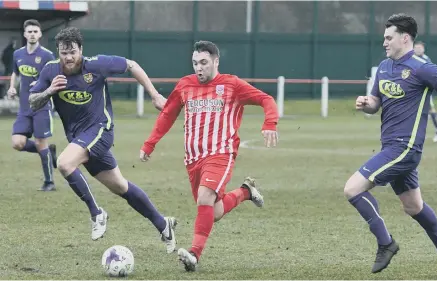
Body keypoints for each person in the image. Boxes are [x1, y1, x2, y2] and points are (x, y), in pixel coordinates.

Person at [28, 26, 177, 254]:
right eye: (63, 52)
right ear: (58, 52)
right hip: (80, 138)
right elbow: (32, 102)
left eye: (73, 52)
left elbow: (131, 65)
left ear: (81, 50)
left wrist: (155, 95)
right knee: (121, 186)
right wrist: (49, 91)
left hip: (101, 130)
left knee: (65, 163)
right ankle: (162, 224)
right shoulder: (50, 71)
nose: (68, 57)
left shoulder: (96, 65)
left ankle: (97, 213)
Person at [140, 40, 279, 271]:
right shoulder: (185, 85)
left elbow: (266, 99)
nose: (199, 68)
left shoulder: (232, 84)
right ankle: (246, 191)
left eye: (204, 62)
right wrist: (149, 144)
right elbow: (167, 114)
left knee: (204, 198)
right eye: (195, 63)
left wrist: (270, 123)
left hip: (221, 154)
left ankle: (194, 254)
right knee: (211, 212)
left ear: (216, 61)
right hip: (193, 159)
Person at [345, 13, 437, 275]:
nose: (384, 42)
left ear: (404, 38)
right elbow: (375, 104)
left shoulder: (421, 67)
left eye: (388, 37)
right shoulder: (384, 66)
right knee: (413, 206)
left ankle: (387, 243)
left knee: (352, 189)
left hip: (405, 148)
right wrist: (366, 104)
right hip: (390, 147)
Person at [7, 19, 57, 191]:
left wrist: (40, 85)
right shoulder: (18, 54)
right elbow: (14, 72)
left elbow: (54, 80)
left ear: (40, 34)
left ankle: (49, 182)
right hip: (24, 108)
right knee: (17, 143)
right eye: (29, 31)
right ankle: (48, 153)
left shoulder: (47, 56)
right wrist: (13, 87)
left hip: (41, 106)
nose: (32, 34)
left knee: (40, 142)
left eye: (36, 31)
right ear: (24, 34)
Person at [414, 41, 437, 142]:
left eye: (419, 48)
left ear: (423, 49)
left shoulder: (426, 60)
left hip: (424, 90)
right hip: (413, 91)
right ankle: (417, 134)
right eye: (416, 48)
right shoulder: (410, 59)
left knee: (430, 110)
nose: (417, 49)